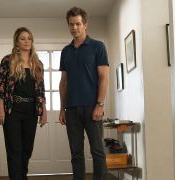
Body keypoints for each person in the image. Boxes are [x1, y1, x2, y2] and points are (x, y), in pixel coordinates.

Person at [59, 7, 109, 180]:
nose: (74, 28)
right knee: (76, 153)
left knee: (97, 151)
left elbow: (103, 77)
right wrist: (61, 109)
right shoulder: (65, 51)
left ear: (85, 25)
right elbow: (63, 82)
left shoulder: (97, 46)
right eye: (71, 24)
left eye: (78, 24)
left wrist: (100, 105)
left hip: (92, 107)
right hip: (71, 109)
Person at [0, 27, 47, 180]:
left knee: (27, 150)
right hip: (13, 110)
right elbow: (1, 86)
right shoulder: (7, 60)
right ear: (16, 42)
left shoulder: (38, 64)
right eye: (23, 38)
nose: (26, 41)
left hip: (31, 110)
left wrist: (43, 111)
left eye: (29, 38)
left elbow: (41, 90)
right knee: (14, 150)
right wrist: (0, 109)